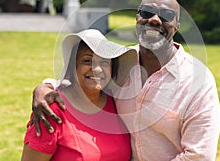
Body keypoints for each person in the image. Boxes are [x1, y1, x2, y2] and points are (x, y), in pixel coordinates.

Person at [31, 0, 220, 160]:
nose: (155, 19)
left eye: (166, 15)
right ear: (137, 19)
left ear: (177, 26)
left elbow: (199, 157)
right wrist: (44, 88)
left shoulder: (199, 81)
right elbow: (86, 79)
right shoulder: (121, 61)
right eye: (147, 12)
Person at [21, 29, 136, 161]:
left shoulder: (116, 103)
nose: (97, 69)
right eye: (87, 61)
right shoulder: (51, 111)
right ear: (72, 67)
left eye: (104, 62)